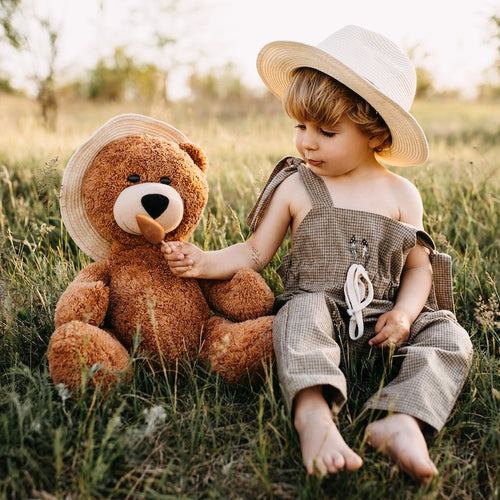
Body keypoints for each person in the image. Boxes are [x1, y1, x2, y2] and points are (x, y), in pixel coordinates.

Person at [162, 25, 473, 484]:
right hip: (320, 312)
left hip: (384, 323)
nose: (307, 142)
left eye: (326, 131)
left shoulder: (402, 194)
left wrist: (406, 316)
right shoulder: (298, 185)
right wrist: (204, 261)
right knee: (299, 314)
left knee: (450, 337)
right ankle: (314, 416)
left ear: (374, 132)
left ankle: (405, 420)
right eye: (300, 126)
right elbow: (254, 252)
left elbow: (418, 269)